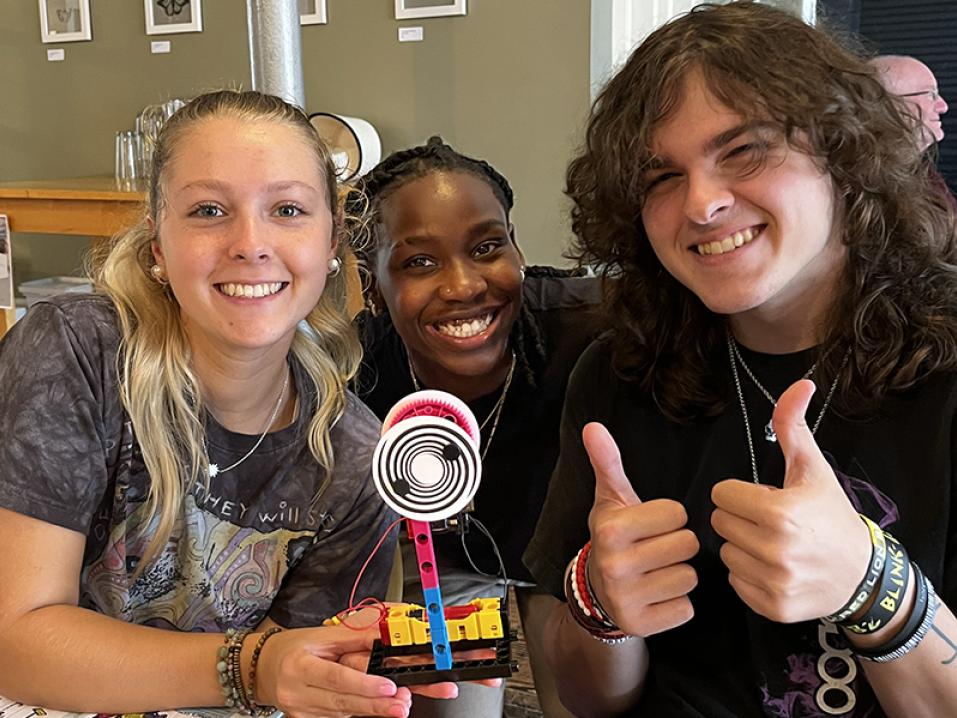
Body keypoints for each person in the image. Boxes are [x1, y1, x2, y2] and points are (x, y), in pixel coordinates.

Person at [523, 3, 957, 717]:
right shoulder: (616, 374)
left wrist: (874, 587)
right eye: (660, 176)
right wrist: (600, 606)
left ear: (841, 155)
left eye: (744, 149)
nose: (700, 203)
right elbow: (587, 698)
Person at [0, 90, 460, 717]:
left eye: (289, 209)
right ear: (157, 246)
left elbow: (297, 678)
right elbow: (18, 644)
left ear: (332, 245)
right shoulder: (76, 353)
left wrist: (346, 671)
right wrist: (254, 666)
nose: (250, 242)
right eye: (209, 209)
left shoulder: (355, 460)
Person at [352, 137, 602, 717]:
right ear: (373, 287)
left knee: (581, 702)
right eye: (419, 262)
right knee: (444, 709)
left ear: (517, 248)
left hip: (562, 558)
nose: (463, 286)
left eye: (487, 247)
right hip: (443, 564)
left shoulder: (592, 332)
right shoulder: (358, 378)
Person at [869, 54, 948, 151]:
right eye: (930, 95)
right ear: (888, 104)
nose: (943, 107)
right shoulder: (856, 165)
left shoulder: (924, 165)